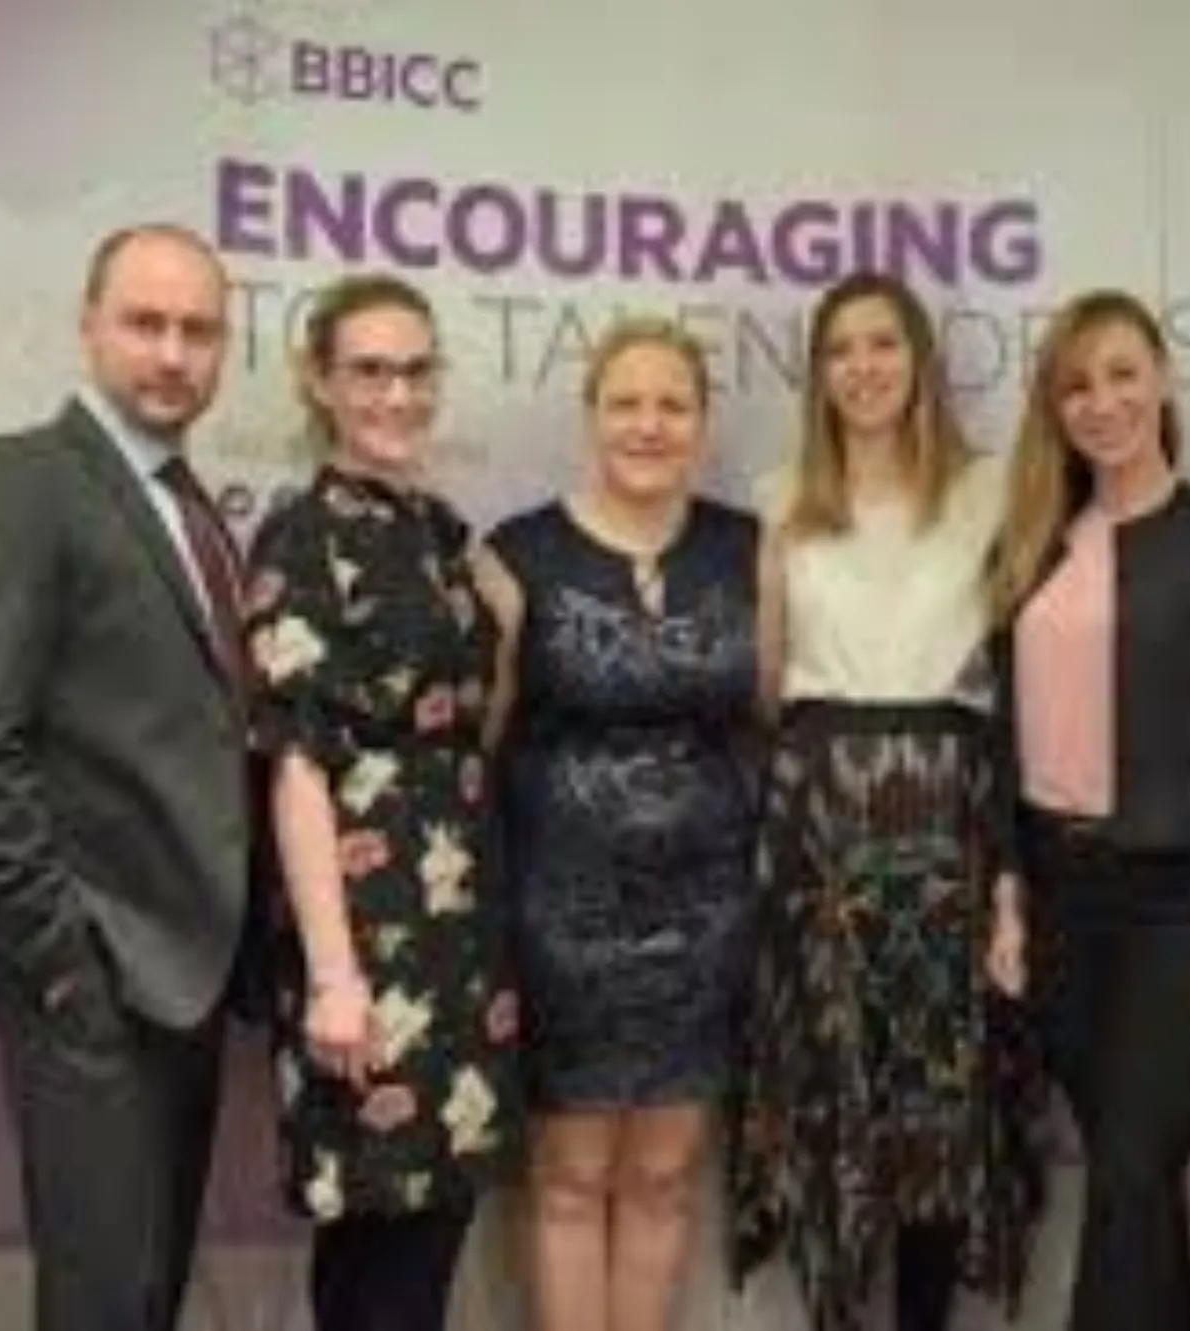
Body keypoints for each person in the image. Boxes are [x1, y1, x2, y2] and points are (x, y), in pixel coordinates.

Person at [0, 223, 252, 1331]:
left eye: (199, 330)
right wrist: (65, 966)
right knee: (102, 1304)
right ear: (87, 327)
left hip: (188, 978)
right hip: (93, 981)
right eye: (145, 323)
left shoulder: (189, 506)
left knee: (145, 1297)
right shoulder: (17, 481)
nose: (173, 353)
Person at [727, 271, 1043, 1331]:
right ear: (817, 373)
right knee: (830, 1075)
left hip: (949, 812)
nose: (862, 367)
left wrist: (1009, 871)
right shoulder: (780, 496)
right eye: (840, 349)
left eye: (883, 344)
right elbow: (766, 676)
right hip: (820, 810)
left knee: (938, 1091)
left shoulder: (991, 489)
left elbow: (1024, 674)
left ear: (920, 361)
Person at [988, 289, 1190, 1331]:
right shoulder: (1030, 544)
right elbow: (1001, 742)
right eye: (1075, 384)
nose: (1102, 401)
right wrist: (1007, 903)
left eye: (1122, 373)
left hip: (1185, 903)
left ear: (1162, 379)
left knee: (1129, 1167)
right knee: (1139, 1185)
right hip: (1060, 903)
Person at [243, 273, 523, 1331]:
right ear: (319, 381)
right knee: (382, 1255)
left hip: (459, 935)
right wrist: (332, 974)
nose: (397, 394)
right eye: (368, 371)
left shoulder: (440, 531)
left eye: (414, 371)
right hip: (364, 939)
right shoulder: (301, 536)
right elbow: (296, 765)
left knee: (415, 1239)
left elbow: (475, 714)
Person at [473, 317, 761, 1331]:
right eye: (626, 402)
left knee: (665, 1172)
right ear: (590, 415)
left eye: (672, 404)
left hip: (708, 912)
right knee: (567, 1175)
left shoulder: (749, 549)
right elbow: (480, 742)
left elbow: (774, 716)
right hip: (561, 916)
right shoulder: (514, 556)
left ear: (702, 422)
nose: (649, 424)